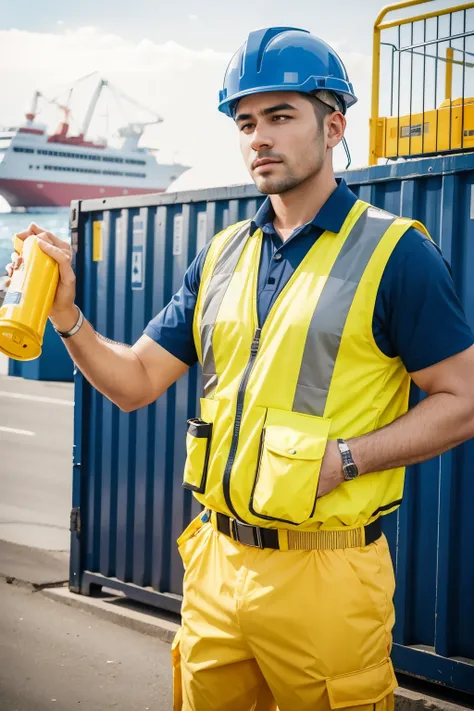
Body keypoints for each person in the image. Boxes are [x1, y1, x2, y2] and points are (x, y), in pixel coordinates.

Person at [6, 26, 474, 711]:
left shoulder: (396, 253)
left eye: (281, 117)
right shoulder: (221, 254)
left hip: (329, 575)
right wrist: (68, 319)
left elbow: (461, 398)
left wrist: (345, 458)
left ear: (334, 124)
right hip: (217, 567)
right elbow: (135, 381)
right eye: (247, 121)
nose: (260, 136)